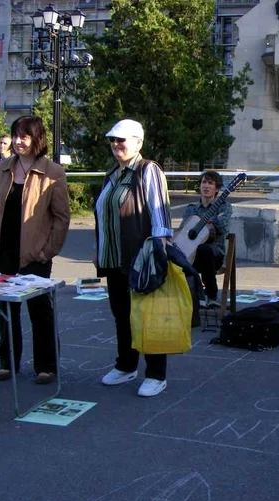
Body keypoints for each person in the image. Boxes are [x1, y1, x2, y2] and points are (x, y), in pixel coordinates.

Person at [0, 116, 70, 384]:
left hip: (35, 254)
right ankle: (7, 362)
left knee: (39, 310)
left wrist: (47, 252)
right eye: (16, 135)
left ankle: (46, 366)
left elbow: (61, 217)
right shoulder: (2, 170)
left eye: (25, 136)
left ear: (37, 139)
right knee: (6, 310)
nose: (19, 141)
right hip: (4, 251)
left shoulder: (53, 172)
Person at [95, 119, 173, 397]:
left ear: (138, 142)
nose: (116, 144)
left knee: (148, 316)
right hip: (114, 259)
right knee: (122, 315)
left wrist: (158, 252)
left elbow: (160, 214)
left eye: (122, 139)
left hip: (140, 259)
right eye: (113, 140)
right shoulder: (112, 175)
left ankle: (156, 374)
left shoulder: (147, 170)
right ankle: (126, 366)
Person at [180, 171, 232, 308]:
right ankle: (191, 294)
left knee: (204, 249)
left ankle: (211, 295)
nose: (206, 186)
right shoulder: (191, 209)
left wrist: (213, 221)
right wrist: (214, 219)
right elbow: (183, 232)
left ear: (217, 188)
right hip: (191, 256)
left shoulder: (224, 206)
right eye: (204, 182)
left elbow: (223, 227)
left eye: (210, 183)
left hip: (214, 256)